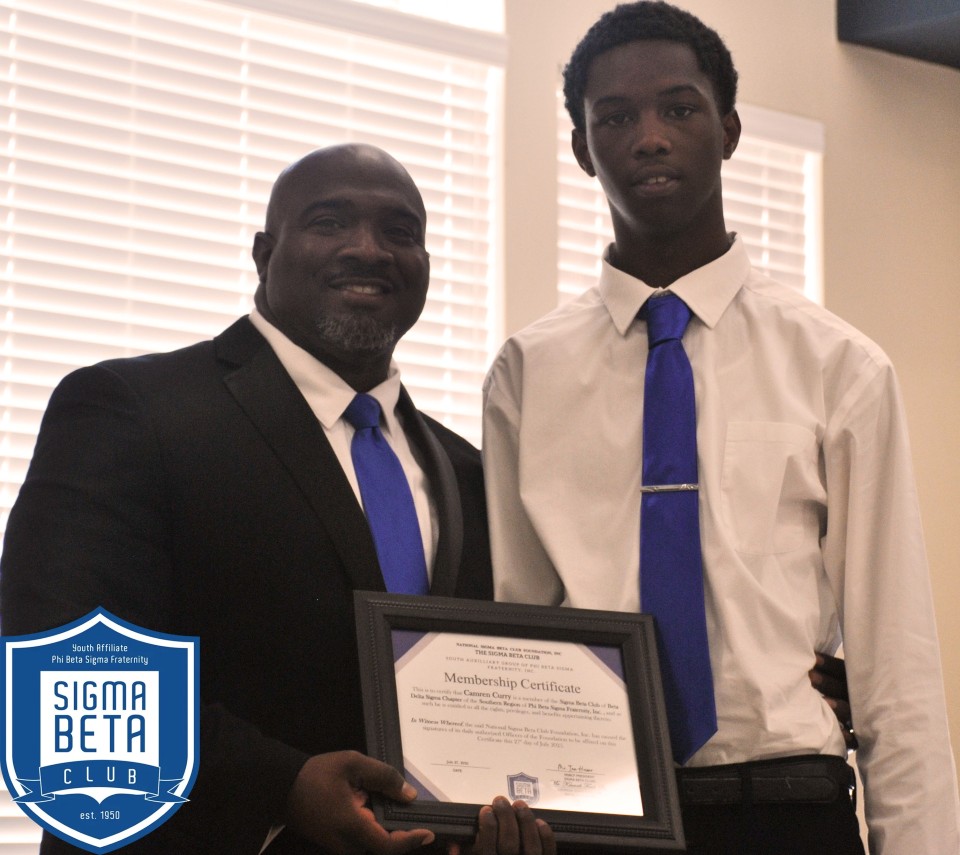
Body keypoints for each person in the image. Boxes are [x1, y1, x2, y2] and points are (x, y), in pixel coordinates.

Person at [481, 3, 960, 854]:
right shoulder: (527, 373)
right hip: (597, 811)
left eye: (679, 108)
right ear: (582, 148)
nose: (649, 137)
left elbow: (897, 661)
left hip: (784, 807)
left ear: (729, 130)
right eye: (615, 118)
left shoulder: (838, 364)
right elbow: (518, 626)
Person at [0, 144, 552, 855]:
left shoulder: (470, 471)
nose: (369, 249)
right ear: (264, 254)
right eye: (330, 222)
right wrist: (281, 785)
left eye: (400, 231)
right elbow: (66, 669)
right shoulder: (129, 409)